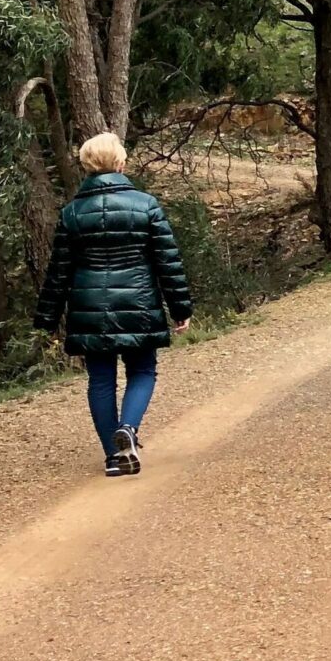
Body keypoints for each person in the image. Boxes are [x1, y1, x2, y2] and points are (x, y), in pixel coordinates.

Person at [33, 132, 194, 478]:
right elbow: (168, 262)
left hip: (89, 308)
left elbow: (59, 270)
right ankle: (129, 429)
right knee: (143, 371)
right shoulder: (145, 205)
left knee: (101, 380)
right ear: (121, 163)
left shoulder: (72, 213)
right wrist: (180, 308)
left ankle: (113, 456)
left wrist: (47, 318)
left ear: (88, 167)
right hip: (138, 302)